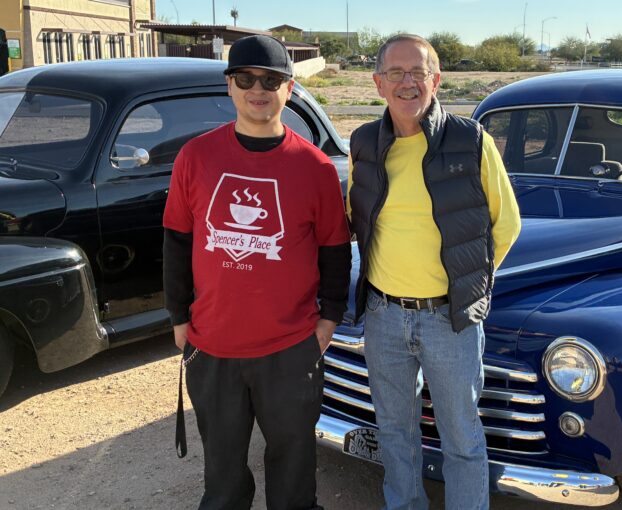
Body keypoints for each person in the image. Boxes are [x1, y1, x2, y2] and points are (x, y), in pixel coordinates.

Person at [163, 34, 351, 510]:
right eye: (246, 79)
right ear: (230, 86)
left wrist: (328, 321)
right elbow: (177, 243)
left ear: (289, 89)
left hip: (289, 350)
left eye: (271, 80)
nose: (258, 89)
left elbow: (334, 250)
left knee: (293, 474)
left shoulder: (314, 168)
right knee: (223, 478)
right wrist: (179, 318)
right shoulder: (196, 157)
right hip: (213, 347)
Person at [347, 34, 521, 510]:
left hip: (451, 320)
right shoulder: (363, 144)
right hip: (383, 317)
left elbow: (505, 225)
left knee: (462, 437)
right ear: (378, 83)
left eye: (418, 72)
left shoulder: (471, 141)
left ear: (436, 80)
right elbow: (355, 215)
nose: (408, 83)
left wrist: (468, 288)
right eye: (396, 73)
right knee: (394, 431)